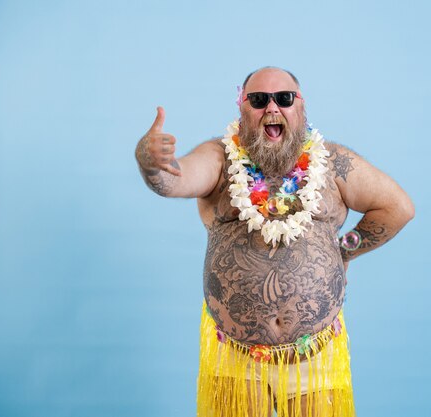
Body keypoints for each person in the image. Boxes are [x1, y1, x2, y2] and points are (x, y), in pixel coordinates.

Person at [135, 67, 414, 417]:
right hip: (236, 362)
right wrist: (151, 165)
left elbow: (398, 207)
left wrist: (345, 249)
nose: (272, 108)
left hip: (316, 359)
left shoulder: (333, 164)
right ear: (242, 109)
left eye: (284, 98)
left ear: (301, 107)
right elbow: (175, 179)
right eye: (258, 100)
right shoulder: (220, 160)